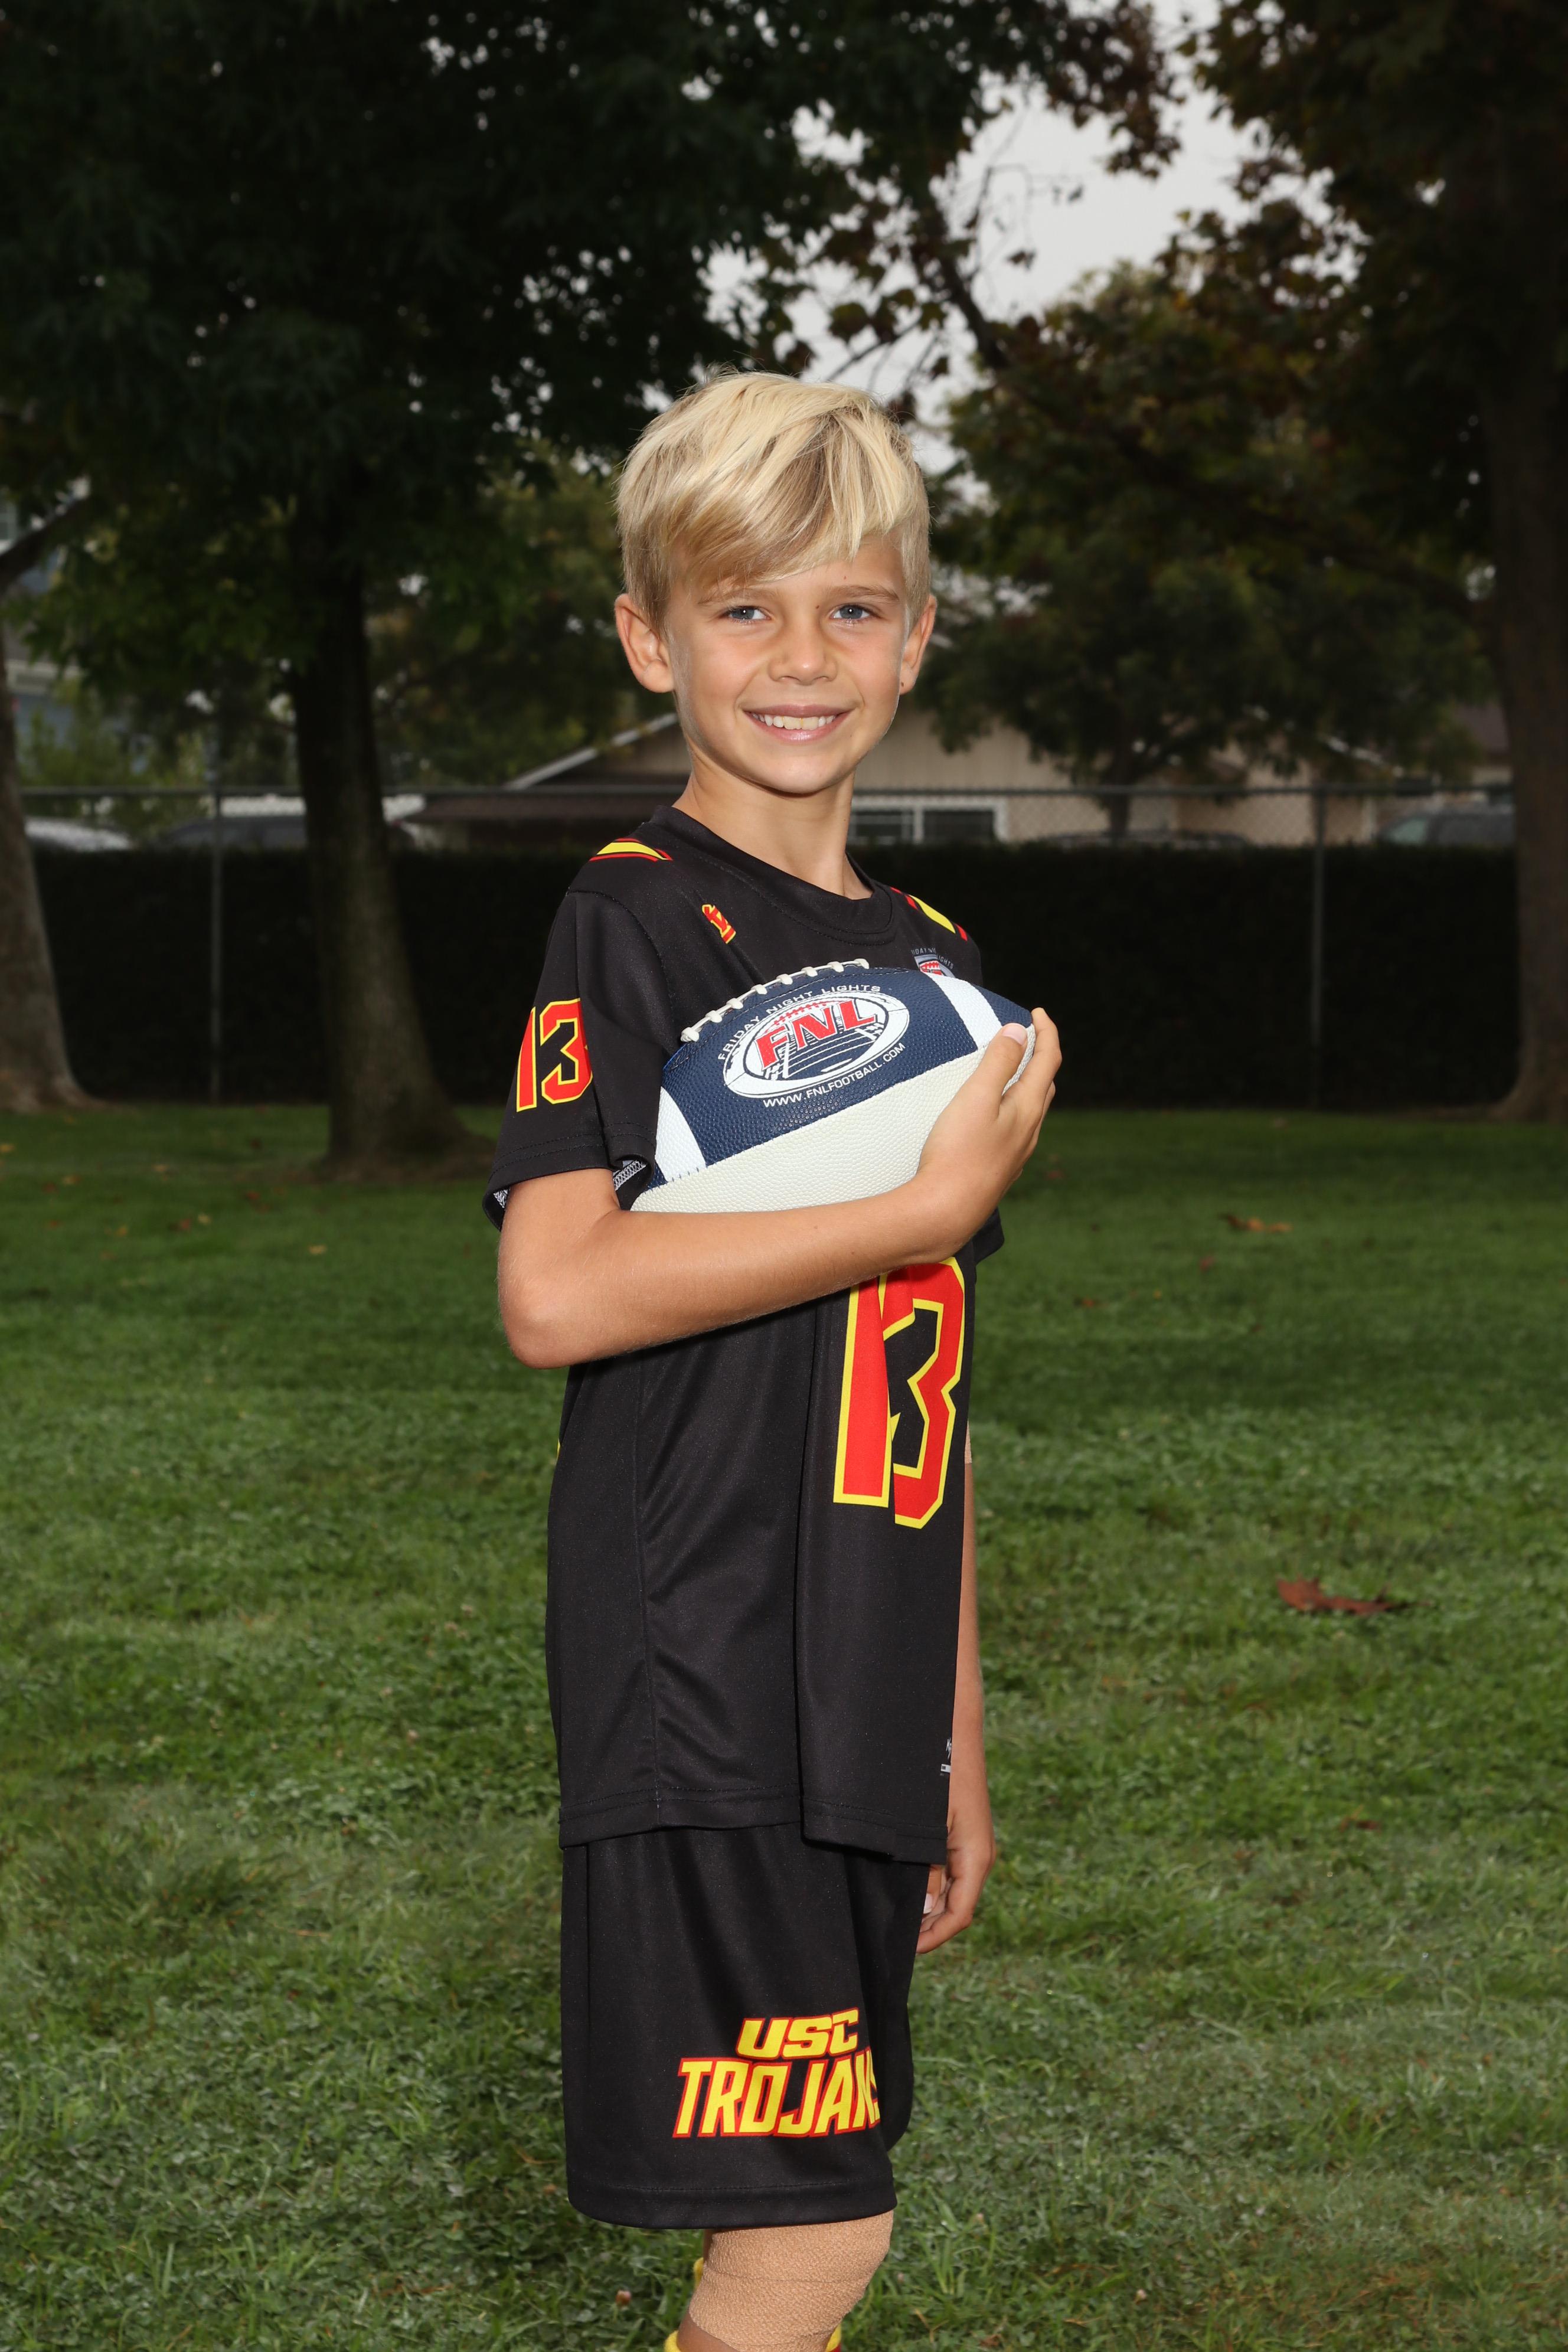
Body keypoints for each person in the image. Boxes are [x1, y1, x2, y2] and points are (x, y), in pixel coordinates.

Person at [485, 373, 1059, 2352]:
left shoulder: (938, 966)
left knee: (820, 2220)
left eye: (850, 608)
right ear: (652, 640)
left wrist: (952, 1733)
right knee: (809, 2236)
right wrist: (918, 1202)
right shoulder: (629, 919)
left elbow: (927, 1385)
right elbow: (557, 1292)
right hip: (710, 1662)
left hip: (859, 1683)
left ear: (917, 637)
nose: (800, 658)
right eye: (743, 608)